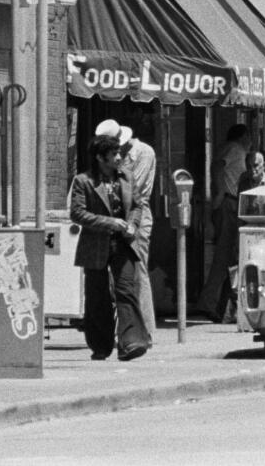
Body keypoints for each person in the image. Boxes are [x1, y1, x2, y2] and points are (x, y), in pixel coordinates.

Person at [70, 134, 150, 361]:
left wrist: (132, 226)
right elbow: (77, 213)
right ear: (99, 157)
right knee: (97, 296)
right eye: (113, 154)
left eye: (119, 153)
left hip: (123, 242)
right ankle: (101, 345)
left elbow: (136, 205)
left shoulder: (126, 177)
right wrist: (110, 223)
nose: (118, 158)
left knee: (126, 289)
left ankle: (131, 342)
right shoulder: (83, 181)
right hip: (95, 244)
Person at [96, 120, 157, 341]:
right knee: (119, 275)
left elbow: (133, 191)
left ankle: (146, 329)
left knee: (138, 271)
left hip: (135, 218)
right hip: (113, 218)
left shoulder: (143, 153)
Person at [199, 123, 249, 323]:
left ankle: (224, 308)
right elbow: (218, 165)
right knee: (224, 255)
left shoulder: (236, 150)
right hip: (228, 202)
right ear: (243, 136)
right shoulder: (235, 149)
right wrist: (219, 191)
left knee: (231, 258)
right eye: (249, 136)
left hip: (233, 203)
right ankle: (208, 303)